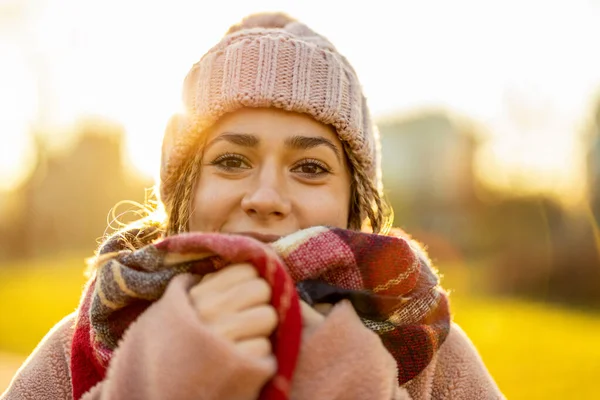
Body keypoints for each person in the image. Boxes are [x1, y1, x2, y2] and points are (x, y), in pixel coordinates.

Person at [2, 12, 504, 400]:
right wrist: (156, 375)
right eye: (232, 160)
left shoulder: (431, 350)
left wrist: (348, 376)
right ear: (183, 189)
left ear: (355, 200)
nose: (266, 198)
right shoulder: (88, 337)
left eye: (310, 167)